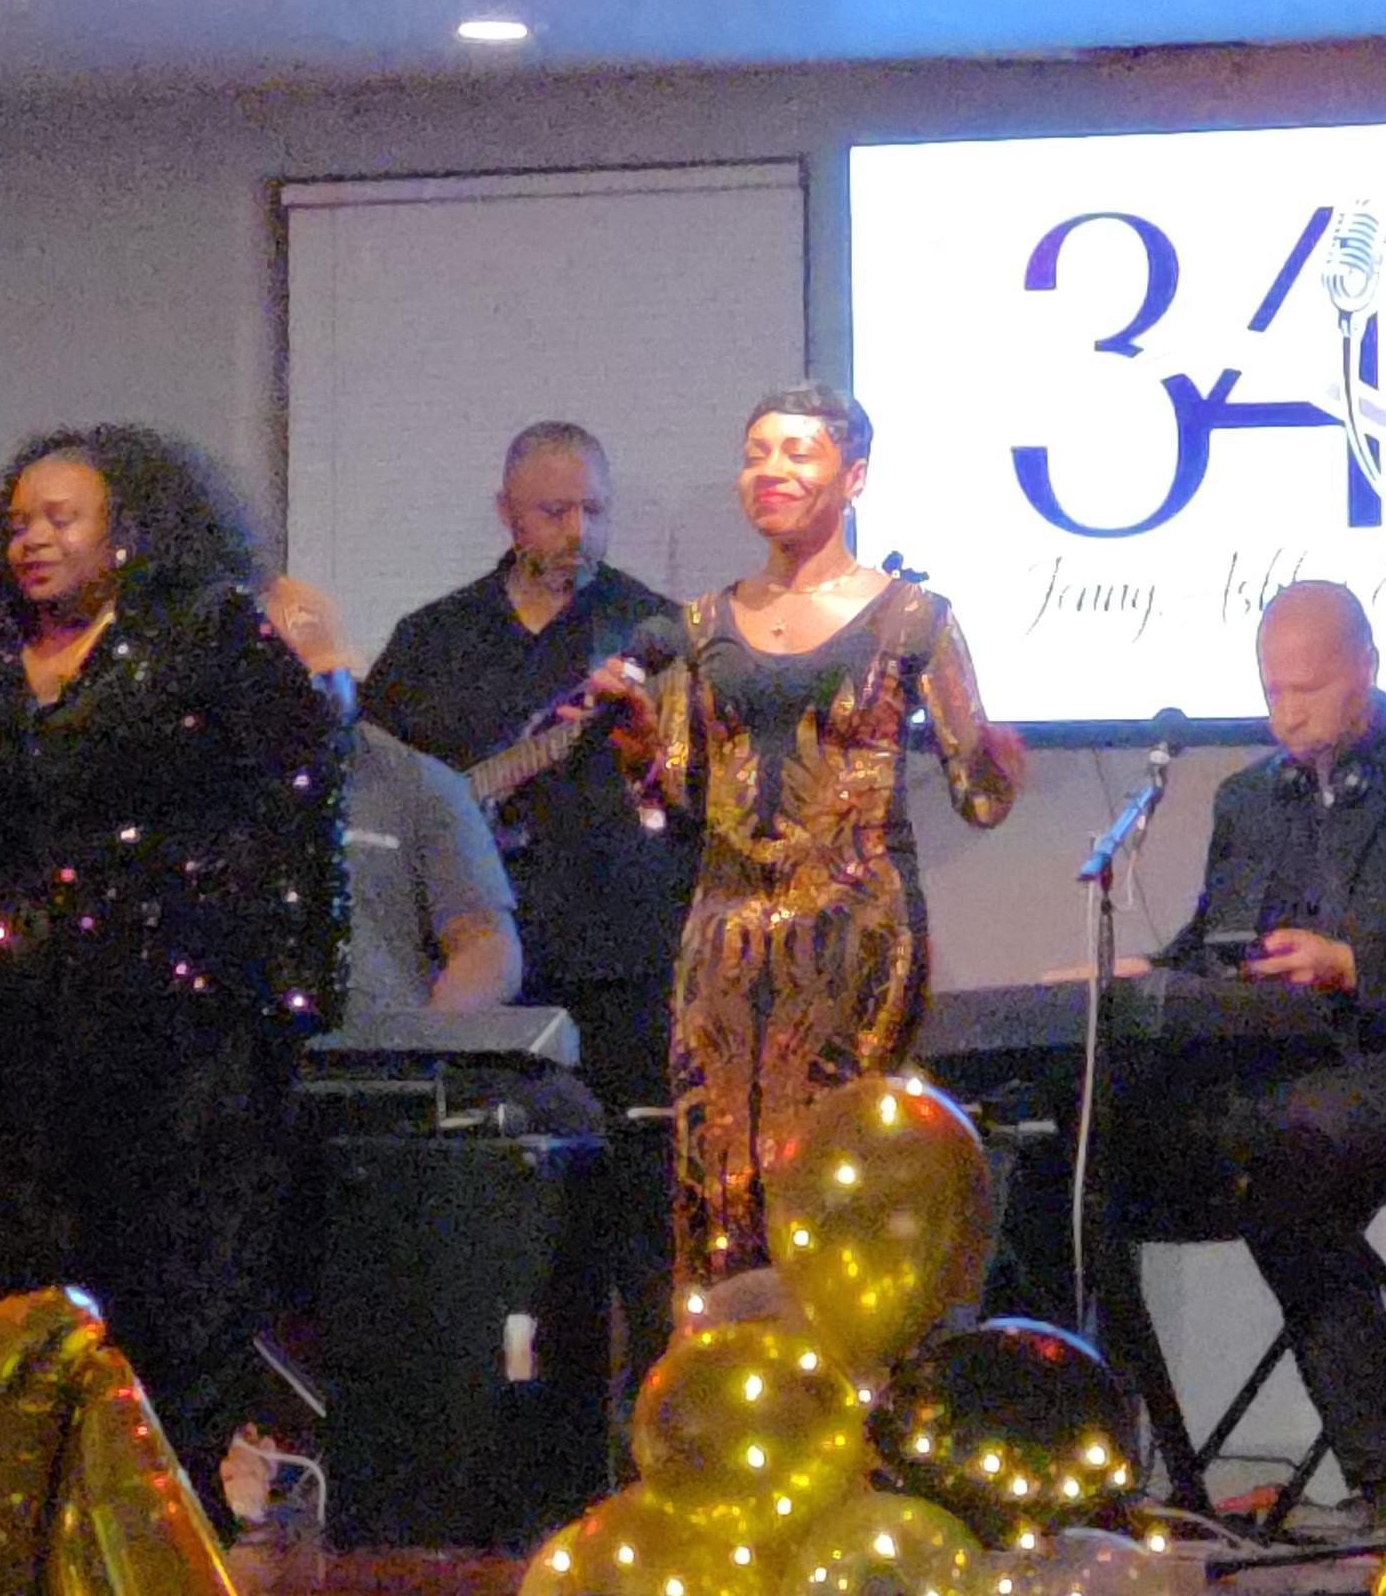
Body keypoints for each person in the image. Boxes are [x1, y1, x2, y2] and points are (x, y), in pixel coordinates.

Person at [0, 425, 347, 1524]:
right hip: (7, 1030)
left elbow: (300, 792)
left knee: (170, 1285)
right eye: (18, 522)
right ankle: (15, 1524)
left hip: (173, 1024)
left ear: (127, 531)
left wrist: (277, 984)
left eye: (61, 517)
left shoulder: (210, 637)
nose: (33, 539)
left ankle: (161, 1525)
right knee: (6, 1285)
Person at [1104, 580, 1386, 1525]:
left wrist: (1349, 965)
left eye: (1305, 689)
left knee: (1283, 1153)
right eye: (1271, 692)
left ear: (1365, 670)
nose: (1285, 713)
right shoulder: (1247, 799)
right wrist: (1142, 970)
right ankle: (1106, 1471)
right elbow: (1212, 944)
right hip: (1284, 1091)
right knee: (1078, 1158)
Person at [586, 383, 1023, 1292]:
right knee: (716, 1174)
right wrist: (636, 748)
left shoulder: (912, 619)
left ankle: (848, 1367)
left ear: (853, 476)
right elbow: (680, 803)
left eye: (797, 452)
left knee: (834, 1169)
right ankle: (727, 1365)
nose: (770, 471)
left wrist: (995, 757)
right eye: (756, 454)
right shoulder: (698, 627)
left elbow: (979, 799)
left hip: (854, 934)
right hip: (723, 938)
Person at [361, 420, 691, 1414]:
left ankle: (651, 1436)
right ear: (507, 513)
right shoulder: (431, 643)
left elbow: (701, 799)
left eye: (594, 509)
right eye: (554, 510)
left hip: (620, 964)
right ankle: (475, 1433)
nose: (577, 530)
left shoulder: (657, 634)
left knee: (639, 1217)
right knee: (477, 1212)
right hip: (472, 980)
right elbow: (373, 800)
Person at [264, 577, 519, 1011]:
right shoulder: (201, 785)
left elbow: (487, 944)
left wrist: (427, 1035)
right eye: (298, 685)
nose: (321, 698)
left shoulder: (419, 784)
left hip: (378, 1046)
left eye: (331, 677)